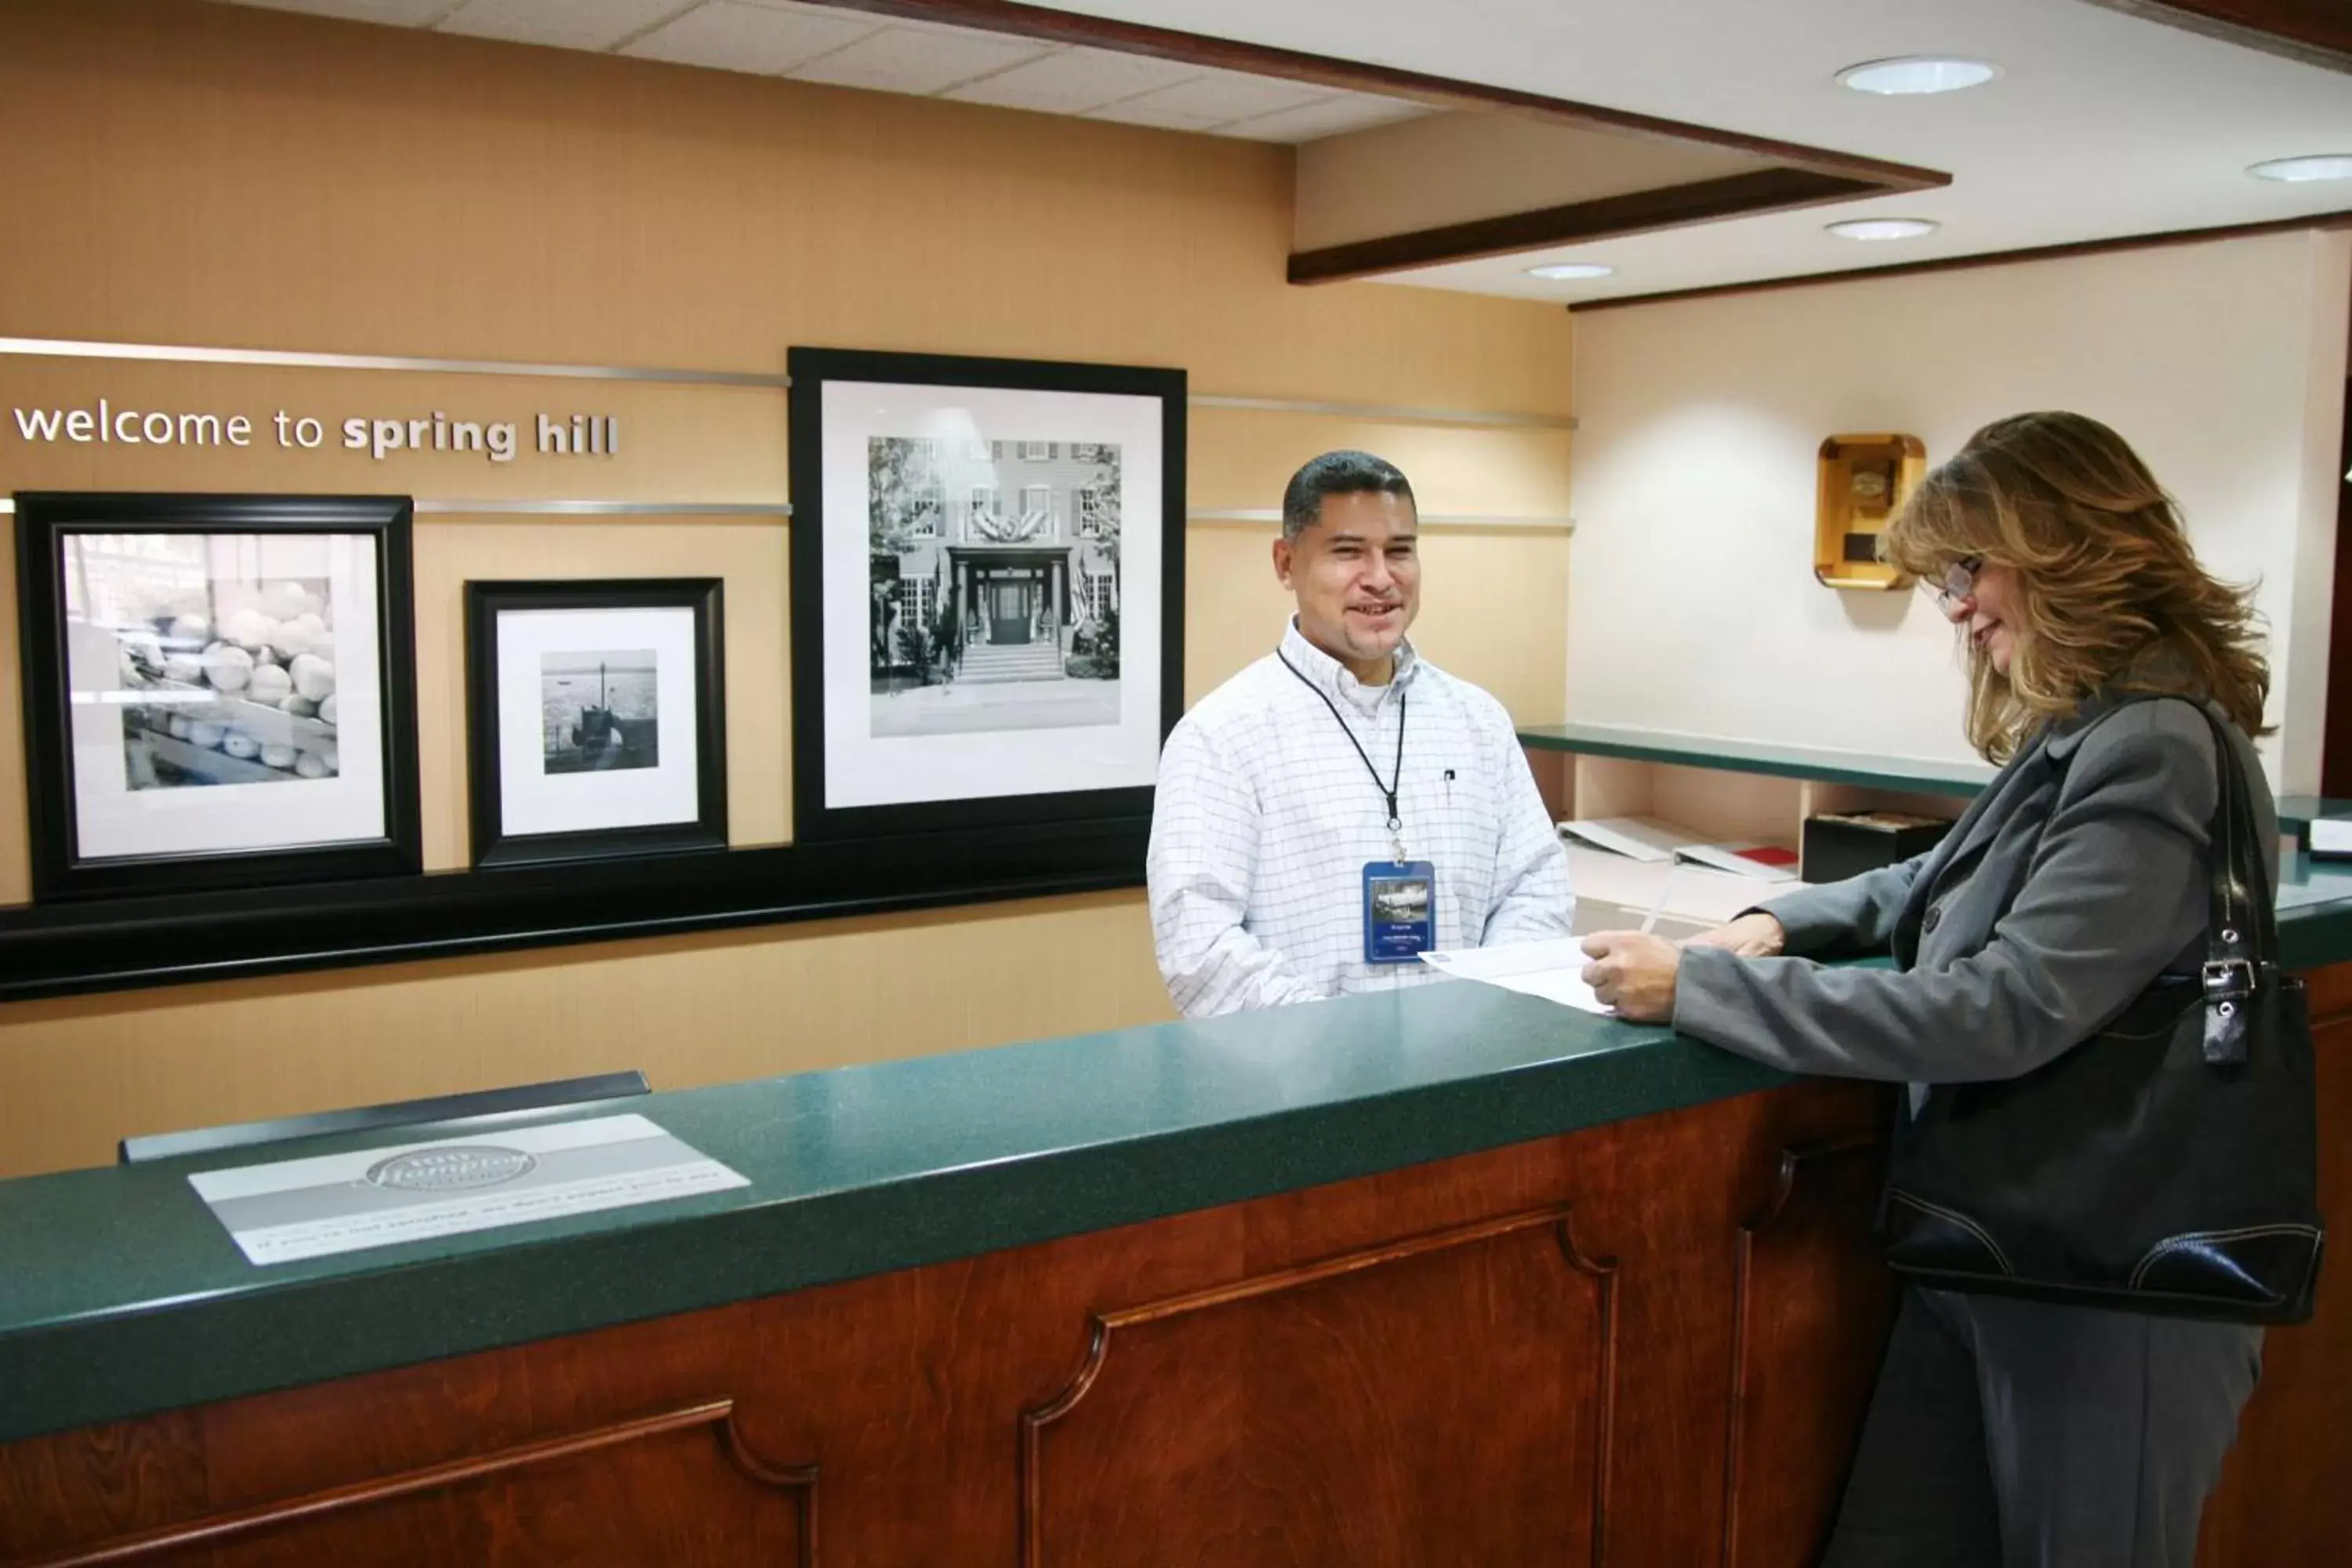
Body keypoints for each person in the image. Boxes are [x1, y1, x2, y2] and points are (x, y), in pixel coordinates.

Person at [1581, 411, 2274, 1566]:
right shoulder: (2093, 721)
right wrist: (1778, 918)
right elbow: (1940, 877)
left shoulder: (2155, 741)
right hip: (1994, 1251)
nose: (1952, 605)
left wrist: (1700, 994)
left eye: (1966, 568)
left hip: (2110, 1289)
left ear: (2063, 547)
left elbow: (2003, 1008)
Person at [1147, 449, 1571, 1018]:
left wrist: (1478, 1014)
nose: (1380, 578)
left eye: (1400, 551)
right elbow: (1200, 949)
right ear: (1285, 562)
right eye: (1348, 552)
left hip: (1468, 1068)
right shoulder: (1221, 738)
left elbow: (1535, 888)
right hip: (1302, 1087)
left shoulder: (1477, 721)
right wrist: (1343, 1054)